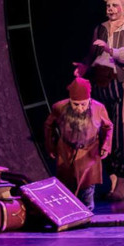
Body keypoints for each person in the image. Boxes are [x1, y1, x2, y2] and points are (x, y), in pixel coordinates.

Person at [81, 0, 124, 202]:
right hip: (101, 86)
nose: (111, 9)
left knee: (123, 136)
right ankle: (112, 181)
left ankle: (122, 183)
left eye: (115, 5)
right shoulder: (100, 29)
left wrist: (111, 50)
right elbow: (92, 54)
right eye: (108, 5)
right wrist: (83, 67)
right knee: (103, 135)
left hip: (122, 87)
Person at [42, 77, 112, 209]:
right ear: (70, 101)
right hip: (66, 152)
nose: (79, 108)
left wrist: (106, 146)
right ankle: (68, 214)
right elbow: (48, 125)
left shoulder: (98, 108)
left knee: (87, 189)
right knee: (66, 188)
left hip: (89, 153)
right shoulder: (59, 107)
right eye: (75, 104)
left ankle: (87, 213)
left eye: (83, 104)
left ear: (89, 100)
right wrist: (50, 146)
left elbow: (108, 127)